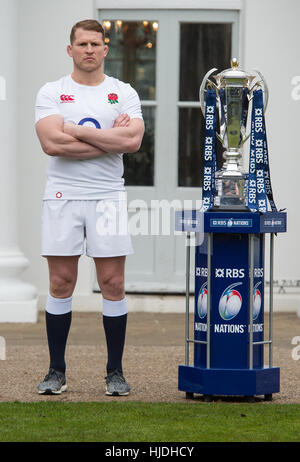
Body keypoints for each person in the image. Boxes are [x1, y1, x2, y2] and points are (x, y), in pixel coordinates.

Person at [35, 19, 144, 396]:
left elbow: (132, 142)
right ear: (71, 49)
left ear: (105, 49)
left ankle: (115, 372)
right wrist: (108, 139)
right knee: (61, 282)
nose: (89, 50)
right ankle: (56, 371)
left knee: (112, 283)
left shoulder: (123, 91)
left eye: (96, 44)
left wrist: (78, 130)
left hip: (107, 196)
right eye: (82, 44)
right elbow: (52, 144)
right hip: (63, 194)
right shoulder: (52, 91)